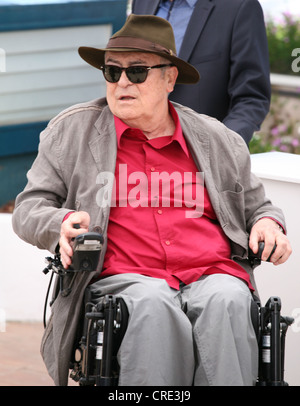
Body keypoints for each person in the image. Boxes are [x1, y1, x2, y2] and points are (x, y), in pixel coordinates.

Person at [12, 15, 291, 386]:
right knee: (152, 304)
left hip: (211, 272)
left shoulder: (218, 139)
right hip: (125, 278)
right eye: (112, 72)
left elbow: (259, 208)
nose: (123, 83)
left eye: (138, 72)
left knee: (229, 299)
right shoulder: (71, 131)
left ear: (169, 78)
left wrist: (268, 223)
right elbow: (29, 207)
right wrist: (60, 225)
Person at [131, 0, 271, 144]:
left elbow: (251, 98)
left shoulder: (240, 6)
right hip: (135, 148)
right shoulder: (142, 2)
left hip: (199, 154)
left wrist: (222, 146)